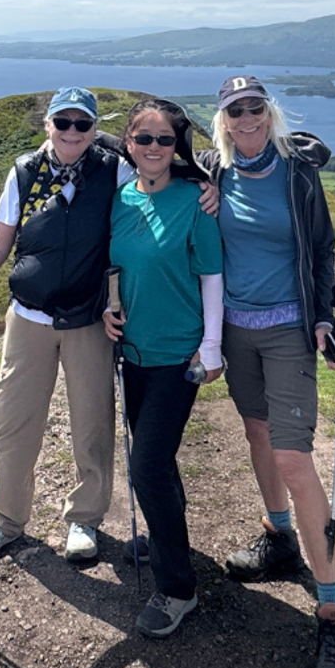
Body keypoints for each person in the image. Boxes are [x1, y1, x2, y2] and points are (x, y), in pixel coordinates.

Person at [0, 87, 213, 569]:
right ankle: (6, 519)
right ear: (48, 126)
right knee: (14, 420)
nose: (72, 133)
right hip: (28, 317)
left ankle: (85, 518)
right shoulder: (23, 171)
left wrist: (207, 183)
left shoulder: (113, 168)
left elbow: (157, 168)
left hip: (87, 319)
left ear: (95, 129)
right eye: (63, 123)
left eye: (83, 125)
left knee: (92, 424)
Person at [199, 74, 335, 668]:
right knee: (258, 432)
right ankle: (278, 538)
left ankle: (331, 611)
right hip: (237, 332)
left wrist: (325, 317)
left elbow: (321, 246)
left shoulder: (297, 172)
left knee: (294, 457)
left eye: (255, 109)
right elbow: (140, 153)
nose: (246, 119)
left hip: (291, 329)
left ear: (269, 114)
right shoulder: (212, 172)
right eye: (235, 110)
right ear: (223, 120)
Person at [102, 97, 224, 640]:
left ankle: (178, 588)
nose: (153, 148)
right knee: (158, 462)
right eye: (143, 139)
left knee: (146, 465)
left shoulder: (196, 201)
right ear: (128, 143)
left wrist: (212, 346)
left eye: (165, 140)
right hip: (132, 353)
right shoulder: (121, 197)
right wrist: (108, 309)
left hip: (179, 355)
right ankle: (164, 534)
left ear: (179, 147)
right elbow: (118, 269)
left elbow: (212, 277)